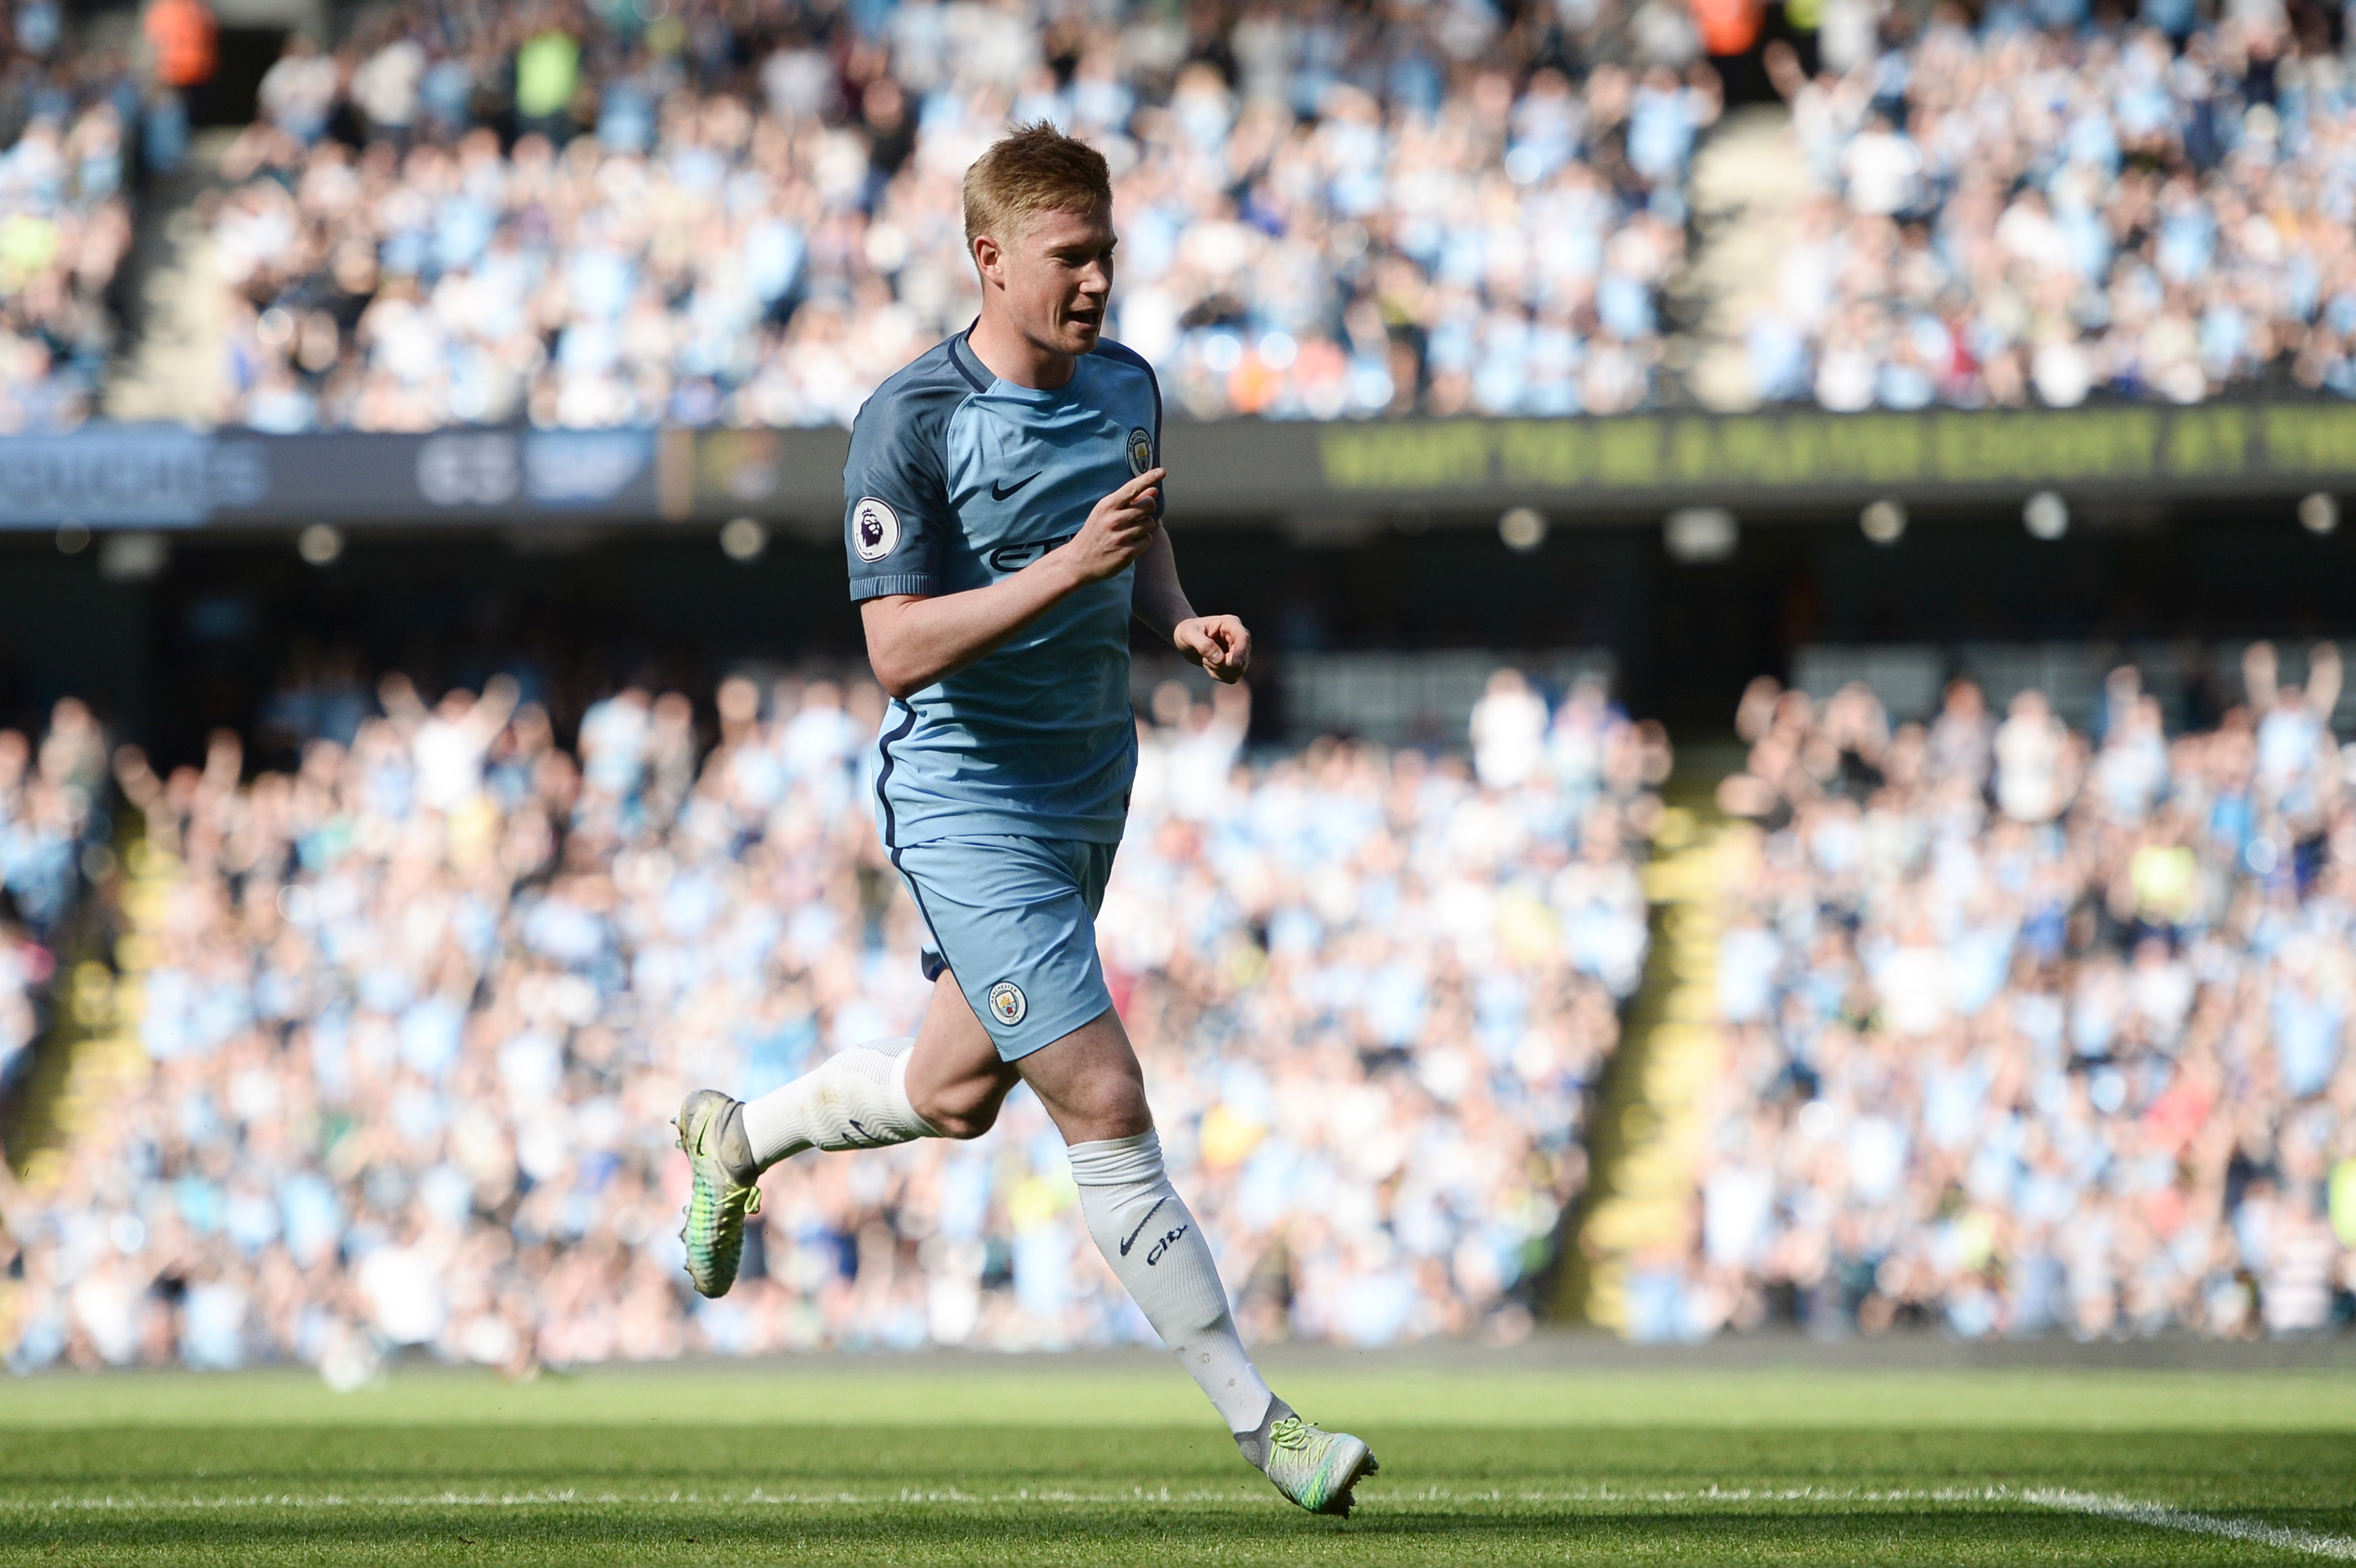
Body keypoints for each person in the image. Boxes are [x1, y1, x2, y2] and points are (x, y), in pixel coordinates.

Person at [671, 123, 1378, 1517]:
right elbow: (897, 651)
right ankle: (1269, 1428)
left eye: (1108, 252)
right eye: (1071, 257)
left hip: (1087, 782)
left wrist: (1179, 620)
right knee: (1105, 1098)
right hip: (967, 799)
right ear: (989, 261)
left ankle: (739, 1138)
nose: (1099, 281)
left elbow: (1140, 527)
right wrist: (1071, 571)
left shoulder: (1126, 384)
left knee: (952, 1097)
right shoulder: (912, 422)